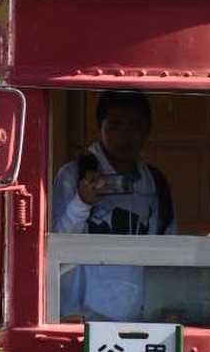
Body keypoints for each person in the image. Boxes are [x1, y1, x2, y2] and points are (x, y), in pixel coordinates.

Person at [51, 90, 176, 319]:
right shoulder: (74, 175)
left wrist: (166, 308)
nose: (125, 137)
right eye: (115, 126)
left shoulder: (156, 184)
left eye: (134, 127)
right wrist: (82, 202)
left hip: (141, 319)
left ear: (148, 130)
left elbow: (169, 253)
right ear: (99, 128)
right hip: (79, 317)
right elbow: (55, 244)